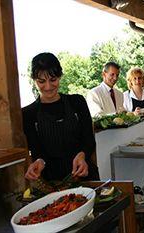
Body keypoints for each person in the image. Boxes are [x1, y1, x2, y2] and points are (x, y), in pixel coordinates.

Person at [22, 52, 99, 181]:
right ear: (34, 80)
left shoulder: (77, 102)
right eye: (41, 81)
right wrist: (39, 162)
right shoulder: (28, 113)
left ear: (60, 76)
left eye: (53, 80)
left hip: (84, 175)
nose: (48, 87)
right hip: (52, 183)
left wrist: (82, 155)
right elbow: (36, 150)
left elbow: (89, 140)